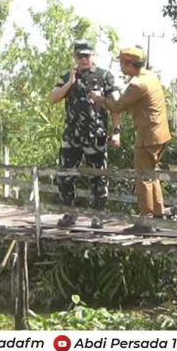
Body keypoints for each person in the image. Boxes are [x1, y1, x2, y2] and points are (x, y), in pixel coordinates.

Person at [90, 46, 171, 233]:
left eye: (121, 63)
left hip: (148, 137)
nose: (120, 67)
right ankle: (158, 215)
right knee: (152, 174)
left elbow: (118, 106)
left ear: (129, 64)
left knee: (143, 177)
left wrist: (99, 99)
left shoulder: (138, 84)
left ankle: (146, 220)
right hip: (160, 135)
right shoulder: (150, 77)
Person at [49, 40, 120, 228]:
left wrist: (116, 131)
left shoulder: (104, 76)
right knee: (65, 175)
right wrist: (70, 83)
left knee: (99, 176)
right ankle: (69, 214)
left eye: (86, 55)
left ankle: (98, 216)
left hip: (96, 135)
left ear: (93, 56)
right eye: (80, 56)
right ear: (74, 57)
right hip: (72, 136)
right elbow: (53, 98)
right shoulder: (67, 77)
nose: (83, 59)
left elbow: (116, 105)